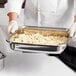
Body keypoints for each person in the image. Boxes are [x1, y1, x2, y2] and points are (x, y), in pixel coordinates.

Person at [6, 0, 76, 72]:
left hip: (63, 35)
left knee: (59, 70)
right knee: (30, 70)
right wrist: (13, 20)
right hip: (30, 36)